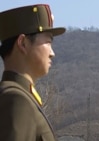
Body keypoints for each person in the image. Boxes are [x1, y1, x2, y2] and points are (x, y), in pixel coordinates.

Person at [0, 4, 65, 141]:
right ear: (23, 43)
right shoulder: (16, 100)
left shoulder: (17, 96)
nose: (52, 53)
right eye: (48, 42)